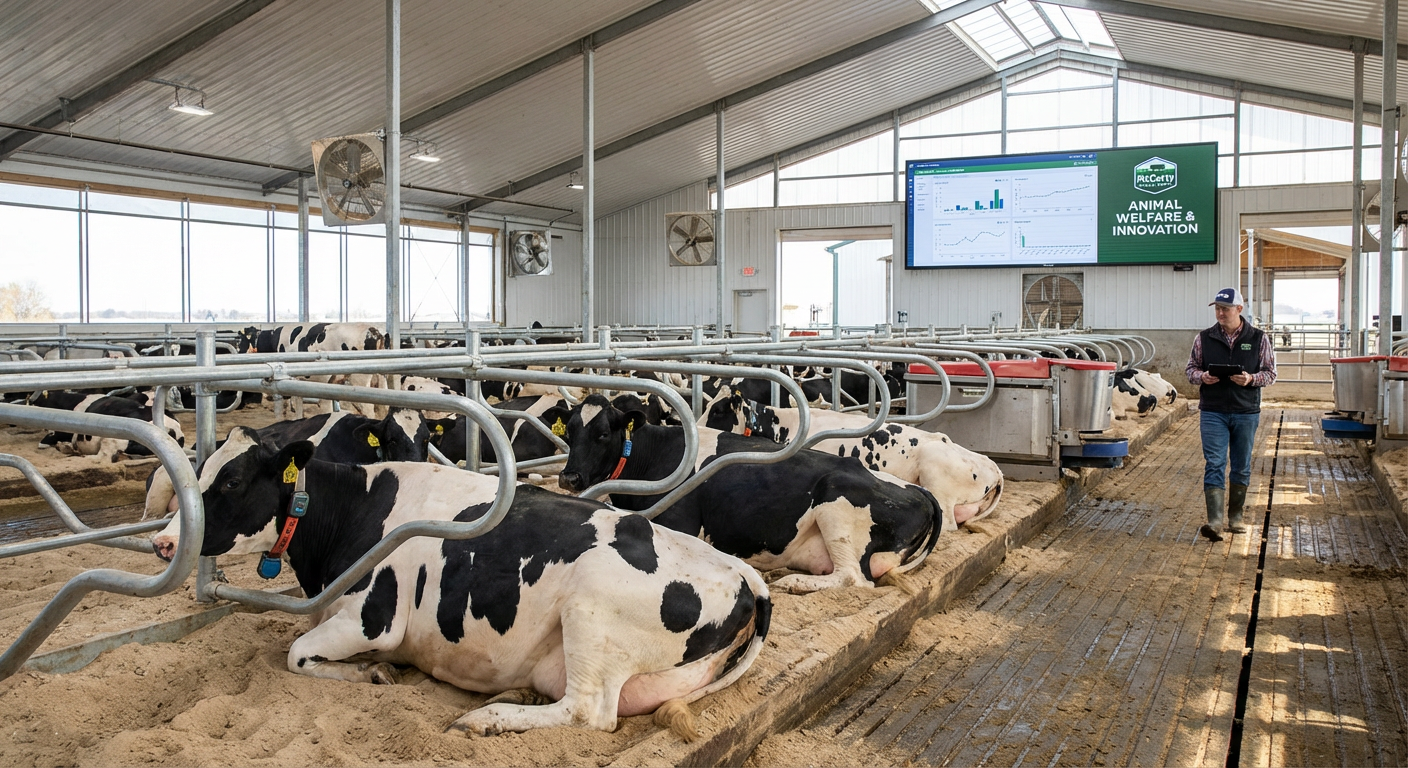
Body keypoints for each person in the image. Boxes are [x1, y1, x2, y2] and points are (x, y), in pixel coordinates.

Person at [1186, 288, 1277, 542]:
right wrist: (1202, 376)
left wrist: (1250, 379)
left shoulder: (1258, 338)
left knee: (1241, 465)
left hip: (1245, 411)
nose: (1220, 313)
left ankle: (1236, 516)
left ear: (1239, 309)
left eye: (1225, 308)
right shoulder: (1203, 338)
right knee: (1214, 463)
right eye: (1217, 308)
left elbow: (1270, 373)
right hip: (1213, 411)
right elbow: (1191, 369)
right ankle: (1215, 521)